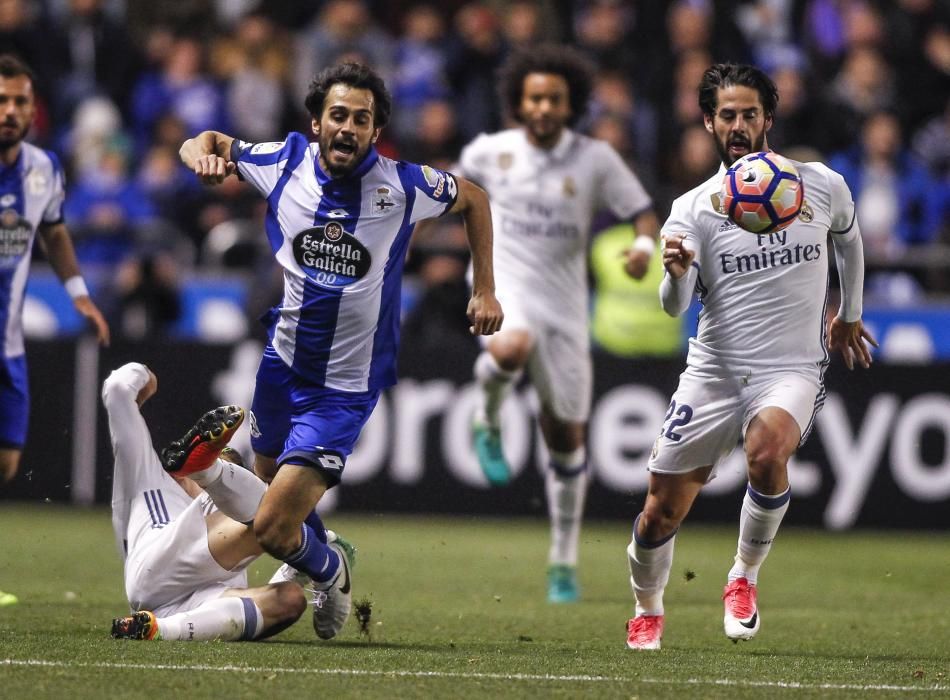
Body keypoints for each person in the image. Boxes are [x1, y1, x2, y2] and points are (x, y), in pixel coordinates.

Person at [177, 62, 503, 639]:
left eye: (362, 119)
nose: (348, 128)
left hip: (344, 388)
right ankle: (324, 549)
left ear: (376, 131)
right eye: (338, 116)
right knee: (262, 498)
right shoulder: (282, 161)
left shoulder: (402, 185)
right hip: (280, 367)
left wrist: (484, 288)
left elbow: (475, 198)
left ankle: (331, 573)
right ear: (316, 122)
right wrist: (201, 157)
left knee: (276, 528)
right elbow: (203, 141)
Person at [624, 63, 877, 650]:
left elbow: (850, 237)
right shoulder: (693, 207)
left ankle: (743, 577)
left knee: (767, 455)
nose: (739, 125)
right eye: (727, 115)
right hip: (714, 371)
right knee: (659, 513)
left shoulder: (820, 184)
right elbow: (672, 306)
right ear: (709, 122)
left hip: (791, 366)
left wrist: (851, 312)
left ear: (769, 117)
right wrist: (675, 273)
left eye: (749, 114)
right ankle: (648, 607)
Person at [456, 45, 659, 603]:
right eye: (534, 98)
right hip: (508, 289)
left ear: (570, 105)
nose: (543, 107)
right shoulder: (489, 152)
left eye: (554, 99)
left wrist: (644, 245)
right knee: (510, 345)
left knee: (567, 441)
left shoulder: (595, 159)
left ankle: (562, 561)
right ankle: (486, 418)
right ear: (518, 103)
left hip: (567, 308)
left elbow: (642, 213)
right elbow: (446, 197)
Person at [103, 362, 307, 642]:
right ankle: (310, 546)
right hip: (154, 568)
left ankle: (158, 630)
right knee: (273, 511)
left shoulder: (228, 526)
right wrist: (146, 378)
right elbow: (117, 388)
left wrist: (295, 573)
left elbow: (236, 610)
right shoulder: (149, 474)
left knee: (290, 600)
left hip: (175, 607)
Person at [0, 54, 109, 489]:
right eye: (2, 100)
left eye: (20, 102)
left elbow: (55, 232)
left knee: (7, 464)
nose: (10, 111)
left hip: (8, 345)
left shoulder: (43, 169)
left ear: (33, 109)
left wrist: (78, 292)